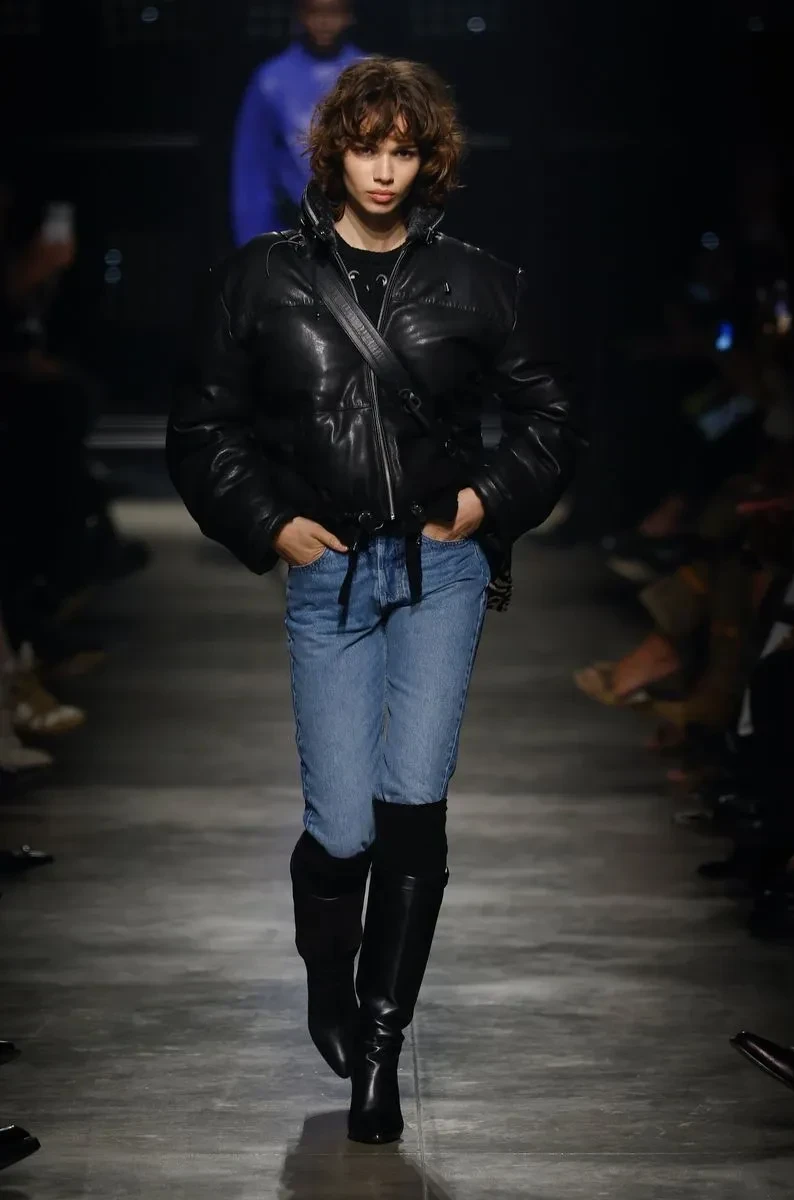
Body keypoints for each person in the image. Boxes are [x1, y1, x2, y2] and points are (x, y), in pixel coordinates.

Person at [168, 57, 578, 1145]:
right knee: (341, 825)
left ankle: (381, 1048)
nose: (385, 170)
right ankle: (327, 983)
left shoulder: (479, 283)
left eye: (403, 150)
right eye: (366, 148)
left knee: (412, 804)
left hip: (440, 572)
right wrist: (268, 524)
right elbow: (202, 428)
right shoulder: (259, 280)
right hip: (328, 573)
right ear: (333, 153)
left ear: (428, 158)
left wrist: (485, 501)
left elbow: (551, 417)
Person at [231, 0, 362, 246]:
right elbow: (252, 167)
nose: (324, 21)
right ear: (300, 15)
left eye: (333, 12)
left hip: (361, 224)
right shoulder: (271, 80)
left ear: (349, 15)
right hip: (293, 228)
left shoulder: (370, 75)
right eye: (314, 12)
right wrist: (252, 243)